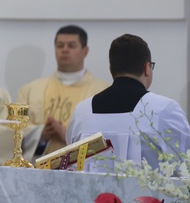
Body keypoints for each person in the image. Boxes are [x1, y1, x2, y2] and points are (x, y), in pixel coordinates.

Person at [67, 34, 190, 168]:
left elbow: (69, 166)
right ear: (147, 68)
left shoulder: (82, 112)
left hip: (91, 190)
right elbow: (184, 165)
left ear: (111, 69)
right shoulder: (164, 110)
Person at [17, 24, 109, 158]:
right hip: (35, 170)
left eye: (71, 46)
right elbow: (13, 133)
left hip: (81, 173)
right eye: (60, 45)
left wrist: (67, 134)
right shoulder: (30, 90)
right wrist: (41, 134)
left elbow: (107, 138)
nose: (65, 50)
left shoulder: (102, 92)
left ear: (85, 51)